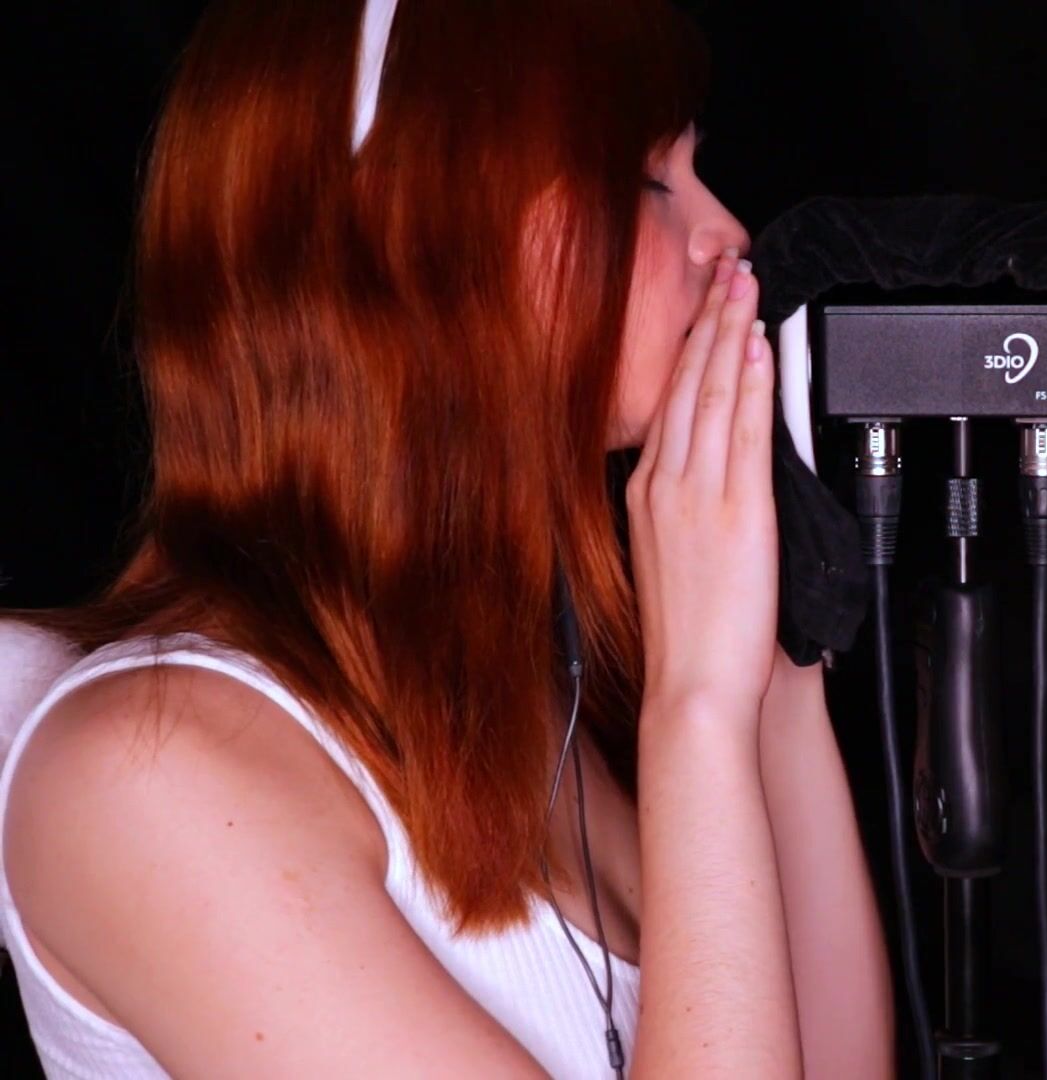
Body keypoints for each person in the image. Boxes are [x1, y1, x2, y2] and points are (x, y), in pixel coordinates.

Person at [0, 1, 892, 1077]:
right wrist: (697, 708)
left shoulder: (531, 709)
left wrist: (774, 674)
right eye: (647, 181)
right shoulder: (144, 773)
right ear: (427, 247)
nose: (728, 233)